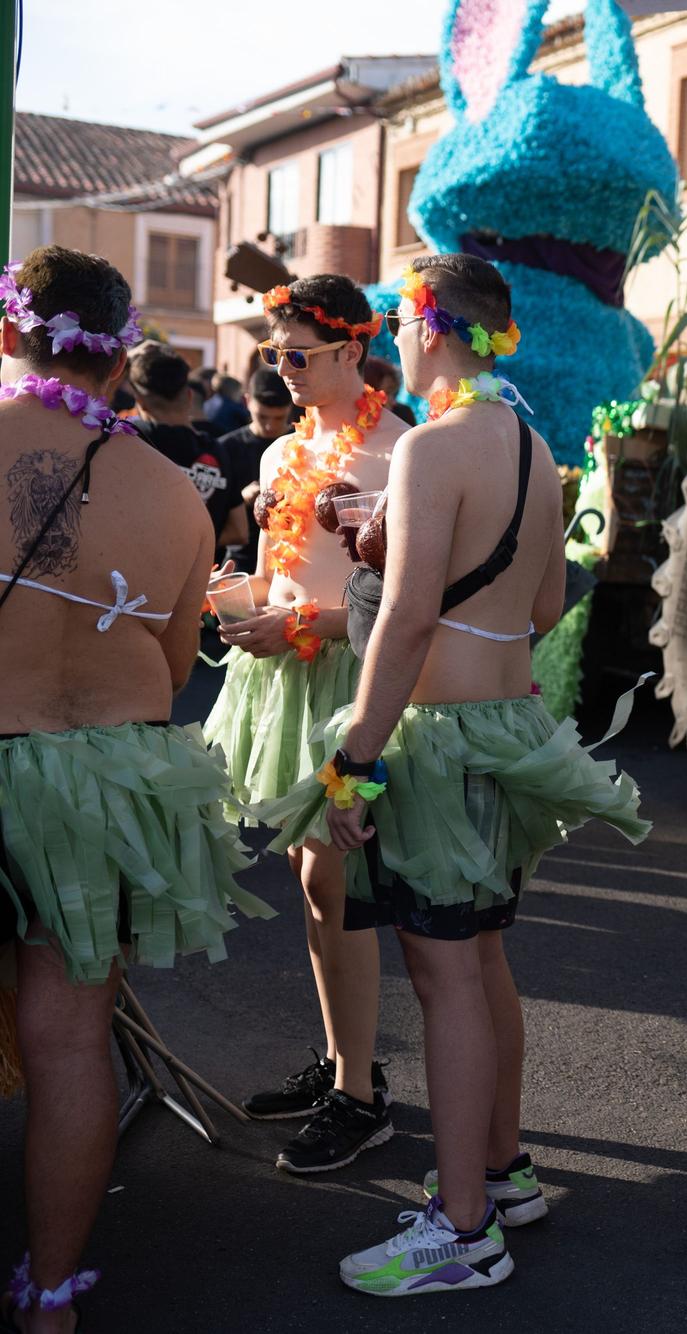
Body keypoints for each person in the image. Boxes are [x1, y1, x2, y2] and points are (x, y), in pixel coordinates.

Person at [258, 253, 648, 1296]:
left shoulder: (434, 445)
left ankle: (464, 1225)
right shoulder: (527, 443)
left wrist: (353, 758)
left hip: (441, 740)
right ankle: (502, 1169)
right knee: (478, 963)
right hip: (508, 724)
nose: (388, 339)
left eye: (394, 321)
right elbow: (538, 607)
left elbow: (405, 618)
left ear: (426, 326)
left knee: (444, 979)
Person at [0, 245, 270, 1332]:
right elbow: (168, 674)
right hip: (106, 780)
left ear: (11, 329)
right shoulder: (176, 492)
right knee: (70, 1040)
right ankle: (52, 1295)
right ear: (123, 353)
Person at [203, 275, 410, 1175]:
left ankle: (361, 1096)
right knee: (312, 882)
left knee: (337, 884)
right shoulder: (283, 456)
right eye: (272, 354)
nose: (281, 368)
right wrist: (233, 598)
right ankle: (342, 1064)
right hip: (282, 684)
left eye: (297, 354)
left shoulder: (401, 453)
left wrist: (301, 624)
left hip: (346, 688)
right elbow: (278, 575)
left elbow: (399, 606)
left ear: (351, 350)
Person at [126, 342, 247, 554]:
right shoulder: (217, 450)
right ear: (190, 396)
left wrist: (126, 363)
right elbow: (239, 531)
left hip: (137, 572)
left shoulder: (131, 438)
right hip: (199, 578)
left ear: (140, 403)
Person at [213, 368, 293, 572]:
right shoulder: (226, 447)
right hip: (242, 557)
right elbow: (211, 512)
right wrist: (240, 498)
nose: (269, 426)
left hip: (291, 554)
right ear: (247, 402)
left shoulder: (300, 443)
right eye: (262, 416)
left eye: (279, 418)